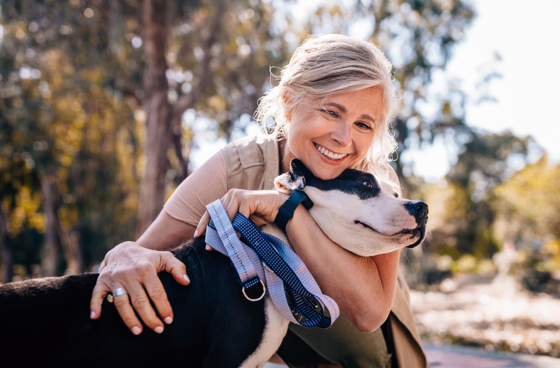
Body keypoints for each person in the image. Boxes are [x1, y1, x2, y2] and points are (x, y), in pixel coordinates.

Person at [89, 34, 428, 368]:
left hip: (370, 357)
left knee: (269, 251)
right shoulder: (236, 166)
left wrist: (288, 210)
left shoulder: (378, 184)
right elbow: (145, 252)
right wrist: (124, 255)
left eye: (363, 124)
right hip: (261, 347)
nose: (343, 138)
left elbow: (368, 314)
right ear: (288, 102)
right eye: (331, 111)